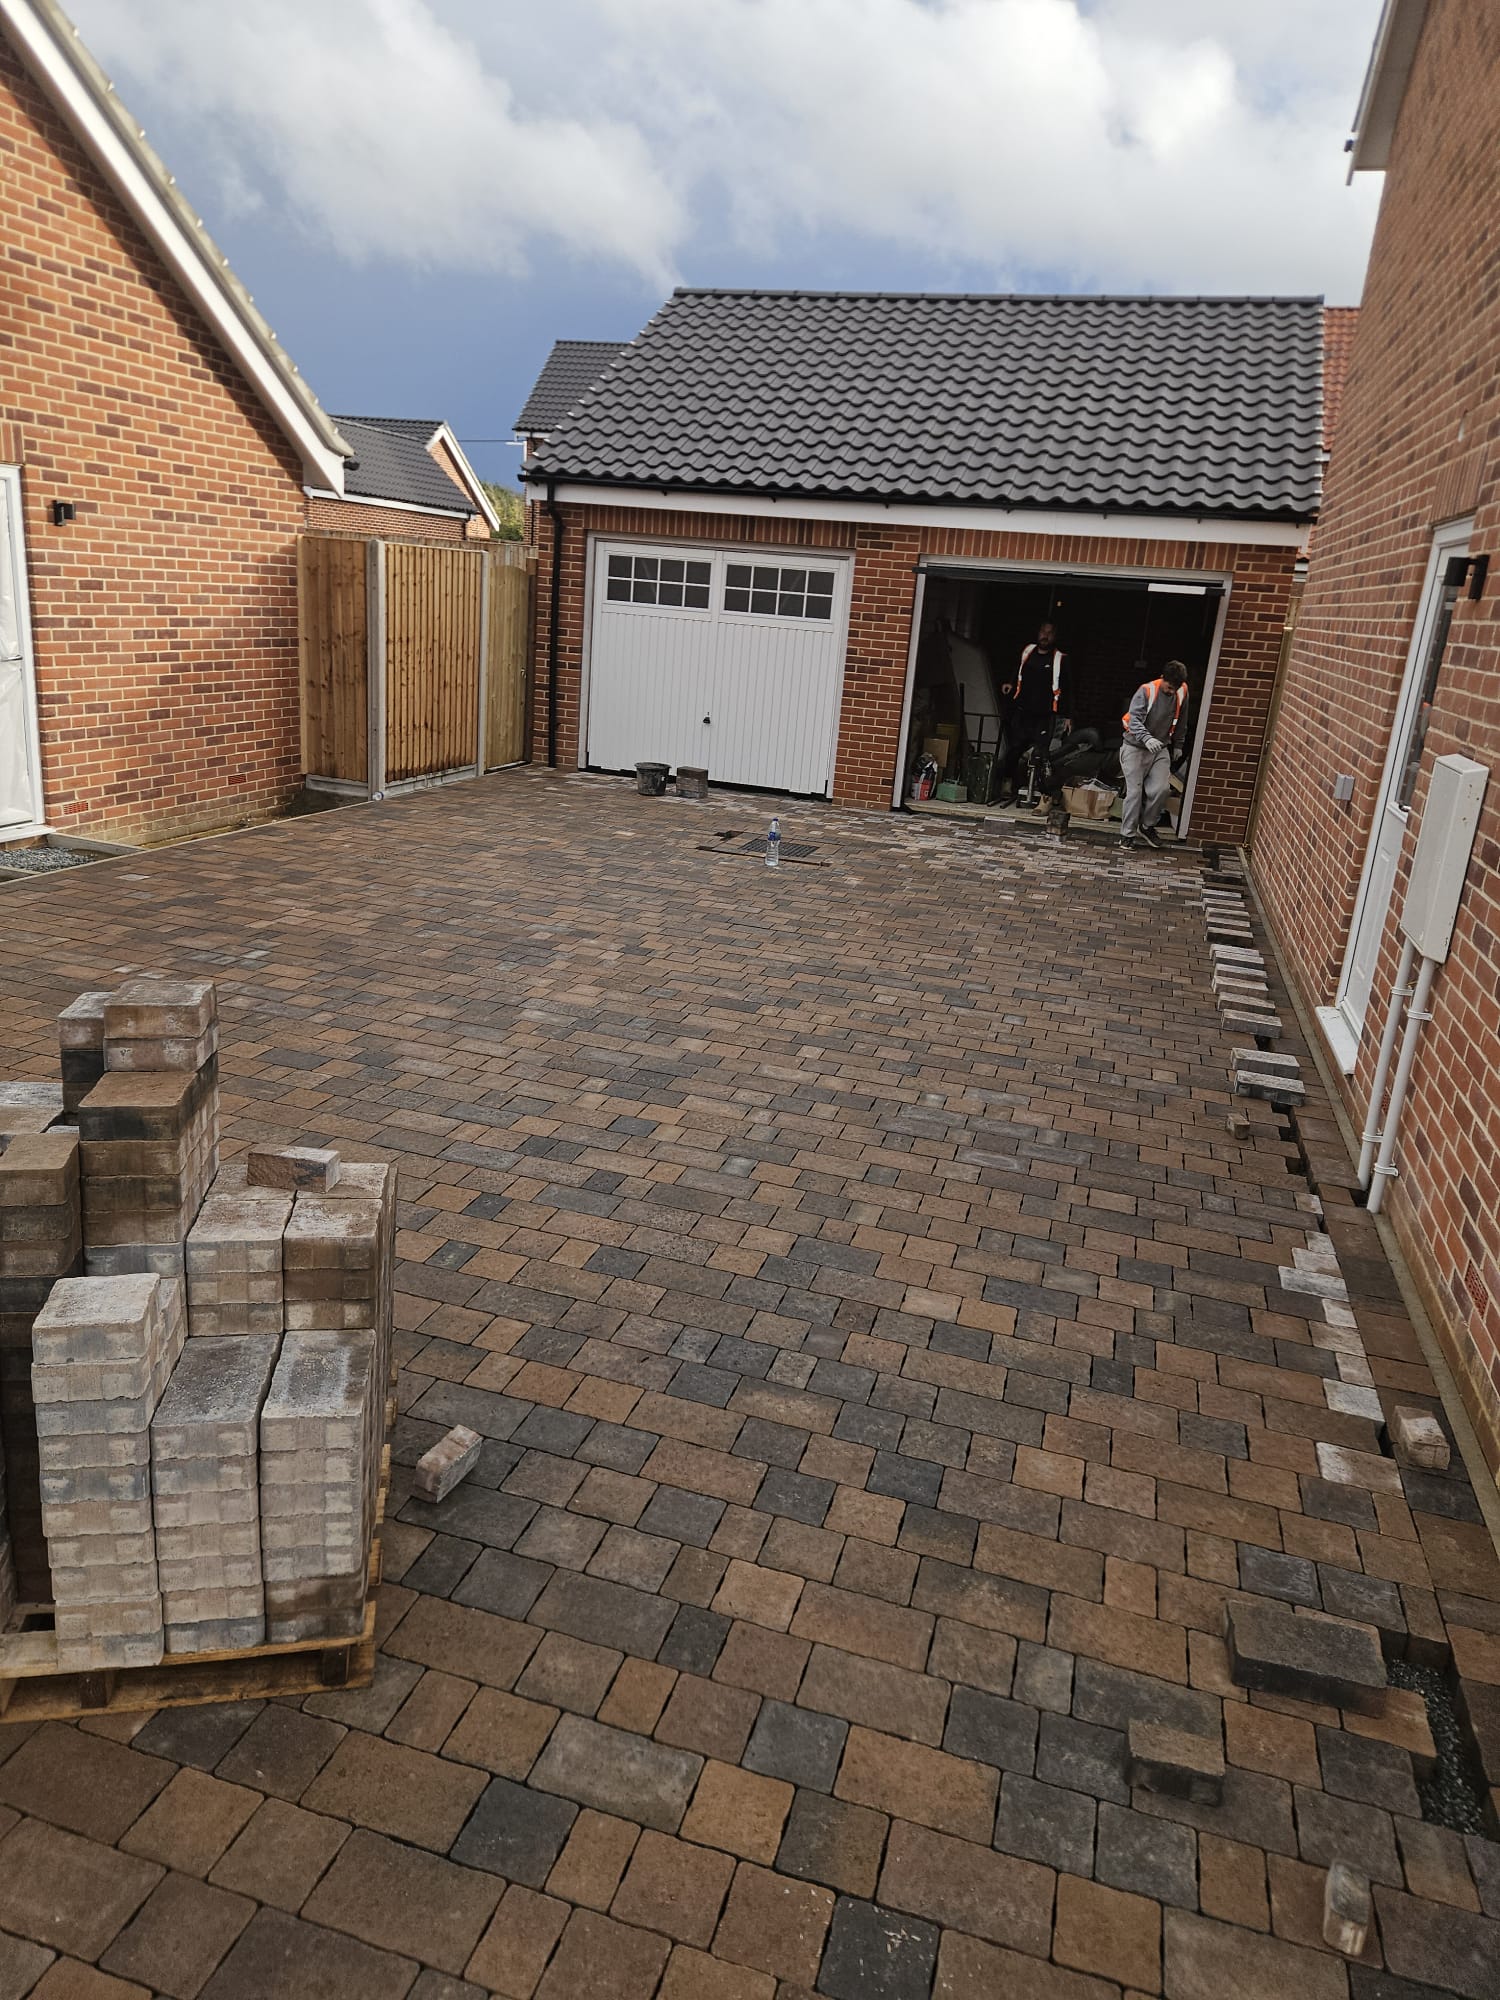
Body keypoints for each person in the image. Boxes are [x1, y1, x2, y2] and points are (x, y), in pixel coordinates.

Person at [996, 621, 1072, 805]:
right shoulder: (1028, 652)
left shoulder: (1059, 659)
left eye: (1050, 633)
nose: (1045, 636)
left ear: (1055, 636)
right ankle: (1008, 784)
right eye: (1042, 631)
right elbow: (1018, 669)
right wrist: (1010, 683)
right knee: (1014, 750)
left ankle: (1043, 796)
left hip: (1045, 715)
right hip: (1023, 712)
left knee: (1042, 756)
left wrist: (1068, 715)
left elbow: (1068, 688)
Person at [1119, 661, 1190, 850]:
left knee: (1161, 789)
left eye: (1174, 688)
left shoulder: (1182, 692)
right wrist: (1146, 738)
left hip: (1160, 748)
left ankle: (1147, 825)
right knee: (1134, 793)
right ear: (1162, 678)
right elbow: (1133, 721)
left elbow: (1182, 720)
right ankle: (1127, 835)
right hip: (1135, 747)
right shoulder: (1147, 691)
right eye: (1168, 687)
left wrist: (1178, 745)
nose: (1171, 691)